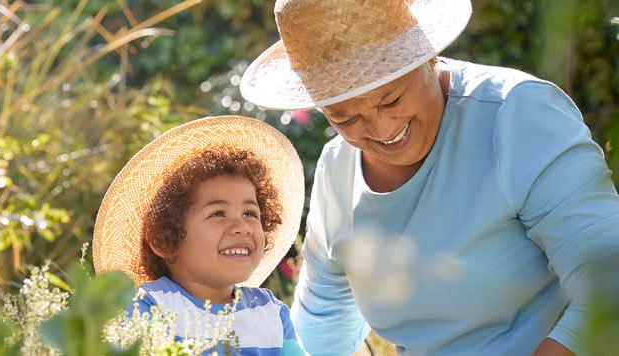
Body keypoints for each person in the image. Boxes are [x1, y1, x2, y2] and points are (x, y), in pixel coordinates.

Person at [238, 0, 619, 354]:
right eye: (345, 118)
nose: (381, 128)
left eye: (391, 100)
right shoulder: (338, 169)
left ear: (427, 57)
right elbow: (321, 324)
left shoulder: (516, 115)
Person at [93, 116, 307, 355]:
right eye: (218, 213)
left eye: (250, 213)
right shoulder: (149, 306)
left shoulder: (270, 312)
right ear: (165, 238)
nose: (242, 226)